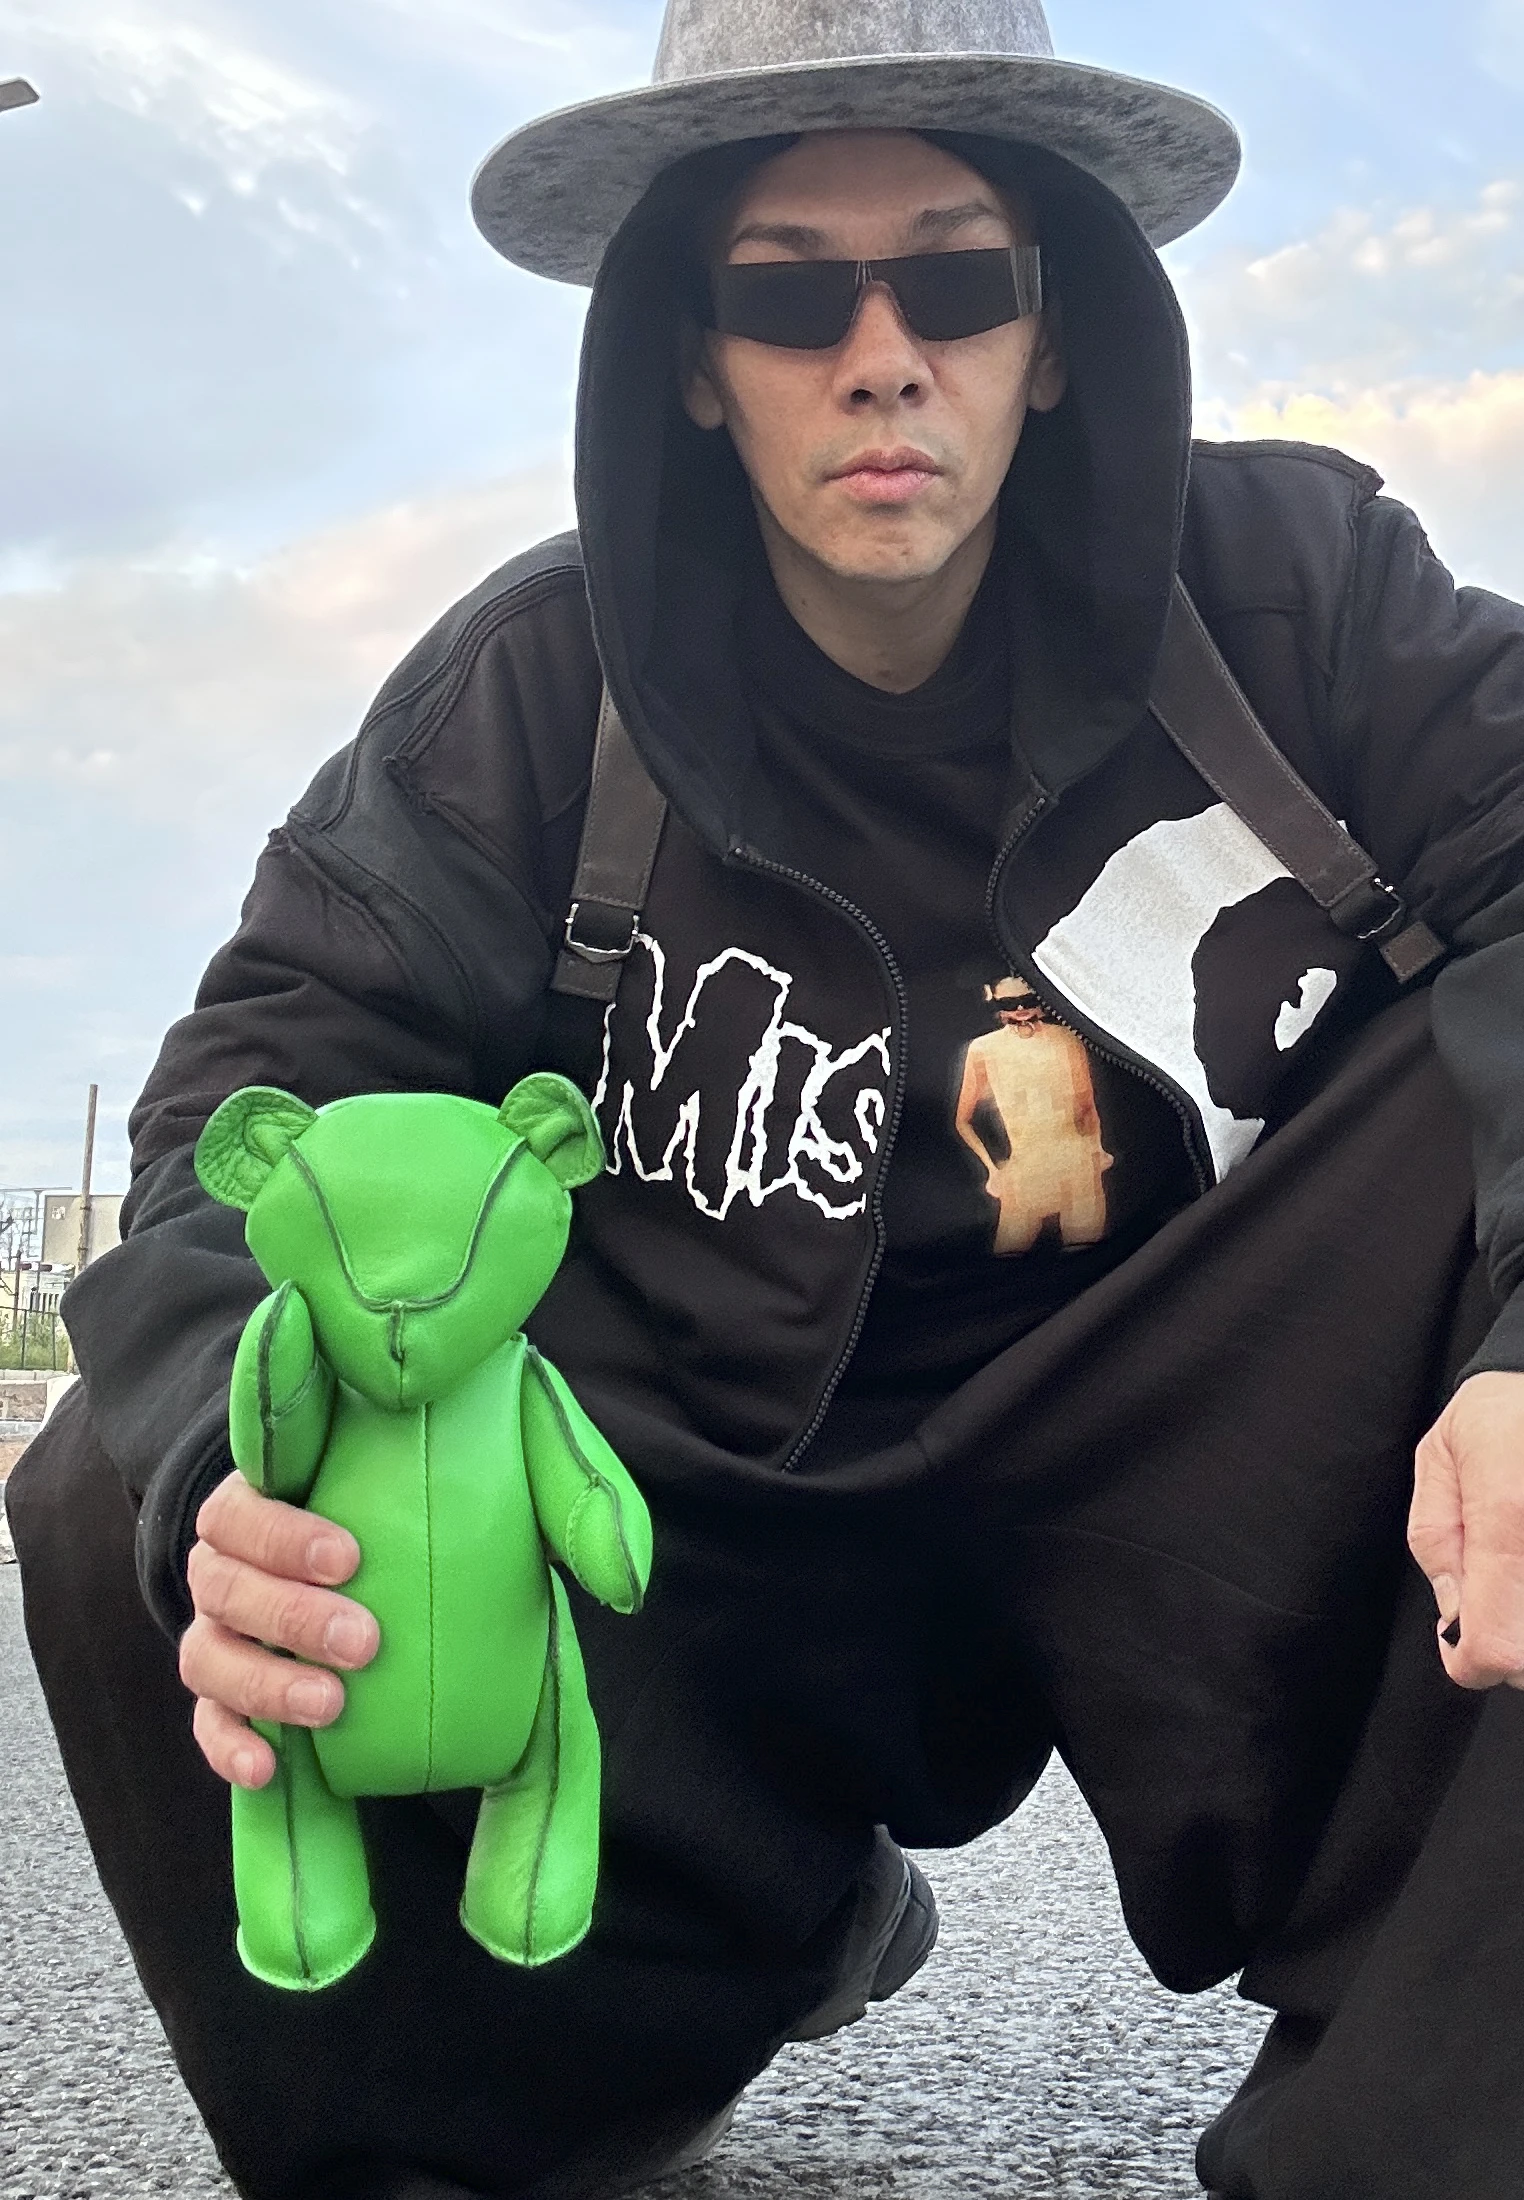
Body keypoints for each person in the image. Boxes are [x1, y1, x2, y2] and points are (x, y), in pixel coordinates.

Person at [12, 3, 1524, 2196]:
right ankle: (582, 2045)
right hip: (719, 1519)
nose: (883, 359)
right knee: (128, 1471)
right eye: (794, 295)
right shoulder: (526, 698)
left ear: (1057, 333)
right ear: (694, 359)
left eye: (959, 278)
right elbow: (247, 1110)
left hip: (1216, 1464)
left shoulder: (1308, 598)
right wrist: (209, 1485)